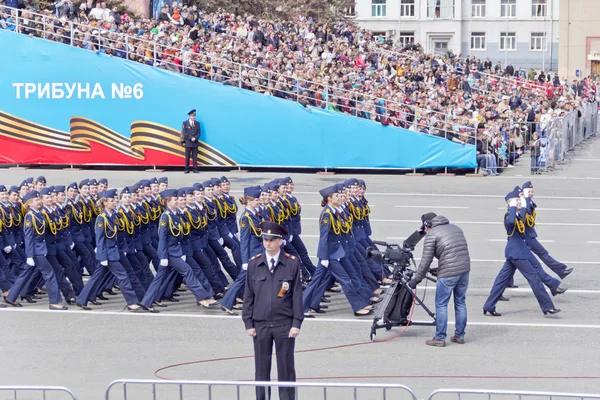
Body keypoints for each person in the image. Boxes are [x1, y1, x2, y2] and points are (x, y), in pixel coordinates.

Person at [242, 221, 304, 400]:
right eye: (265, 239)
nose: (267, 243)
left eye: (271, 239)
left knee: (286, 367)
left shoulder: (291, 264)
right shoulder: (254, 264)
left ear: (280, 241)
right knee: (261, 368)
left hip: (284, 324)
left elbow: (296, 296)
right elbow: (249, 296)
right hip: (260, 325)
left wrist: (296, 323)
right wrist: (248, 322)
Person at [483, 187, 561, 316]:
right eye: (516, 200)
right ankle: (548, 306)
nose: (519, 202)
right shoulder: (509, 215)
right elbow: (512, 221)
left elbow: (526, 219)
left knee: (503, 279)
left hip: (519, 251)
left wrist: (524, 205)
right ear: (510, 203)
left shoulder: (518, 213)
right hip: (517, 253)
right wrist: (513, 207)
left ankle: (489, 305)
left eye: (519, 200)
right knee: (534, 278)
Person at [408, 213, 471, 347]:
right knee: (460, 302)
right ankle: (460, 336)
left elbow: (426, 261)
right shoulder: (456, 228)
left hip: (449, 272)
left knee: (441, 304)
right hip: (464, 269)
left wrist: (416, 279)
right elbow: (455, 252)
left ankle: (440, 338)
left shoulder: (432, 235)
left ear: (427, 225)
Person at [221, 186, 264, 315]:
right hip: (251, 254)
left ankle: (246, 301)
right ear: (250, 201)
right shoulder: (246, 218)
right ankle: (226, 302)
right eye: (256, 199)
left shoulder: (254, 214)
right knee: (241, 280)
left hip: (257, 252)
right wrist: (245, 260)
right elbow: (244, 241)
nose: (259, 201)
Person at [180, 109, 201, 174]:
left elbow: (199, 132)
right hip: (188, 142)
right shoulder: (185, 123)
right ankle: (187, 169)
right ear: (190, 116)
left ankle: (195, 168)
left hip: (195, 142)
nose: (194, 117)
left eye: (195, 115)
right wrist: (190, 138)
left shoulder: (197, 123)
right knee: (187, 156)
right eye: (192, 116)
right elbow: (184, 132)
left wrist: (195, 138)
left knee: (195, 157)